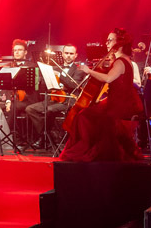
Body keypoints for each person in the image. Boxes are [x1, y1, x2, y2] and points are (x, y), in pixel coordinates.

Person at [59, 28, 144, 162]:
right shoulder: (125, 60)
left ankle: (87, 150)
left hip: (118, 104)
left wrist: (89, 71)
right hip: (120, 101)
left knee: (82, 116)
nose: (106, 43)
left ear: (119, 43)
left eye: (110, 40)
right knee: (88, 113)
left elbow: (108, 78)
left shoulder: (120, 61)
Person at [26, 42, 79, 150]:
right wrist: (42, 78)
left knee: (49, 110)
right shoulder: (54, 68)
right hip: (53, 99)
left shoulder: (79, 70)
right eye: (66, 53)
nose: (68, 56)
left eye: (71, 53)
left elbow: (73, 85)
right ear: (62, 54)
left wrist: (59, 75)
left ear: (75, 55)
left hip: (67, 101)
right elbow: (45, 85)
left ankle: (43, 138)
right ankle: (47, 135)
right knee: (30, 109)